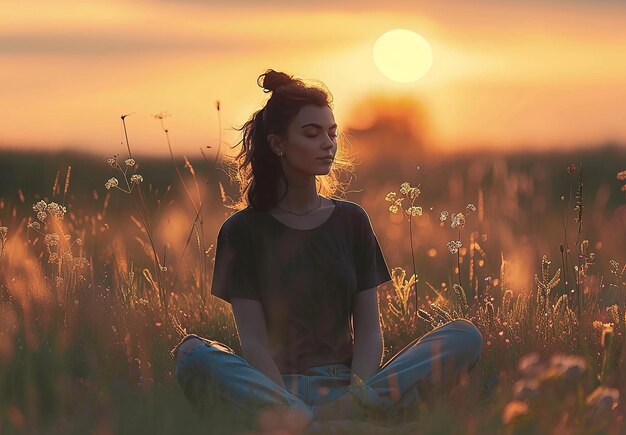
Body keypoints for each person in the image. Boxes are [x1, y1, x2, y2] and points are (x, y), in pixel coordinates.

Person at [170, 69, 483, 432]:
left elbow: (369, 334)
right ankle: (334, 425)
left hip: (351, 387)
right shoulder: (241, 231)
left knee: (464, 336)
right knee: (193, 354)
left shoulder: (352, 221)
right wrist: (286, 403)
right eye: (312, 133)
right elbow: (253, 343)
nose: (328, 144)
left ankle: (326, 421)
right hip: (274, 389)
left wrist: (356, 394)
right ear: (278, 144)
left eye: (332, 133)